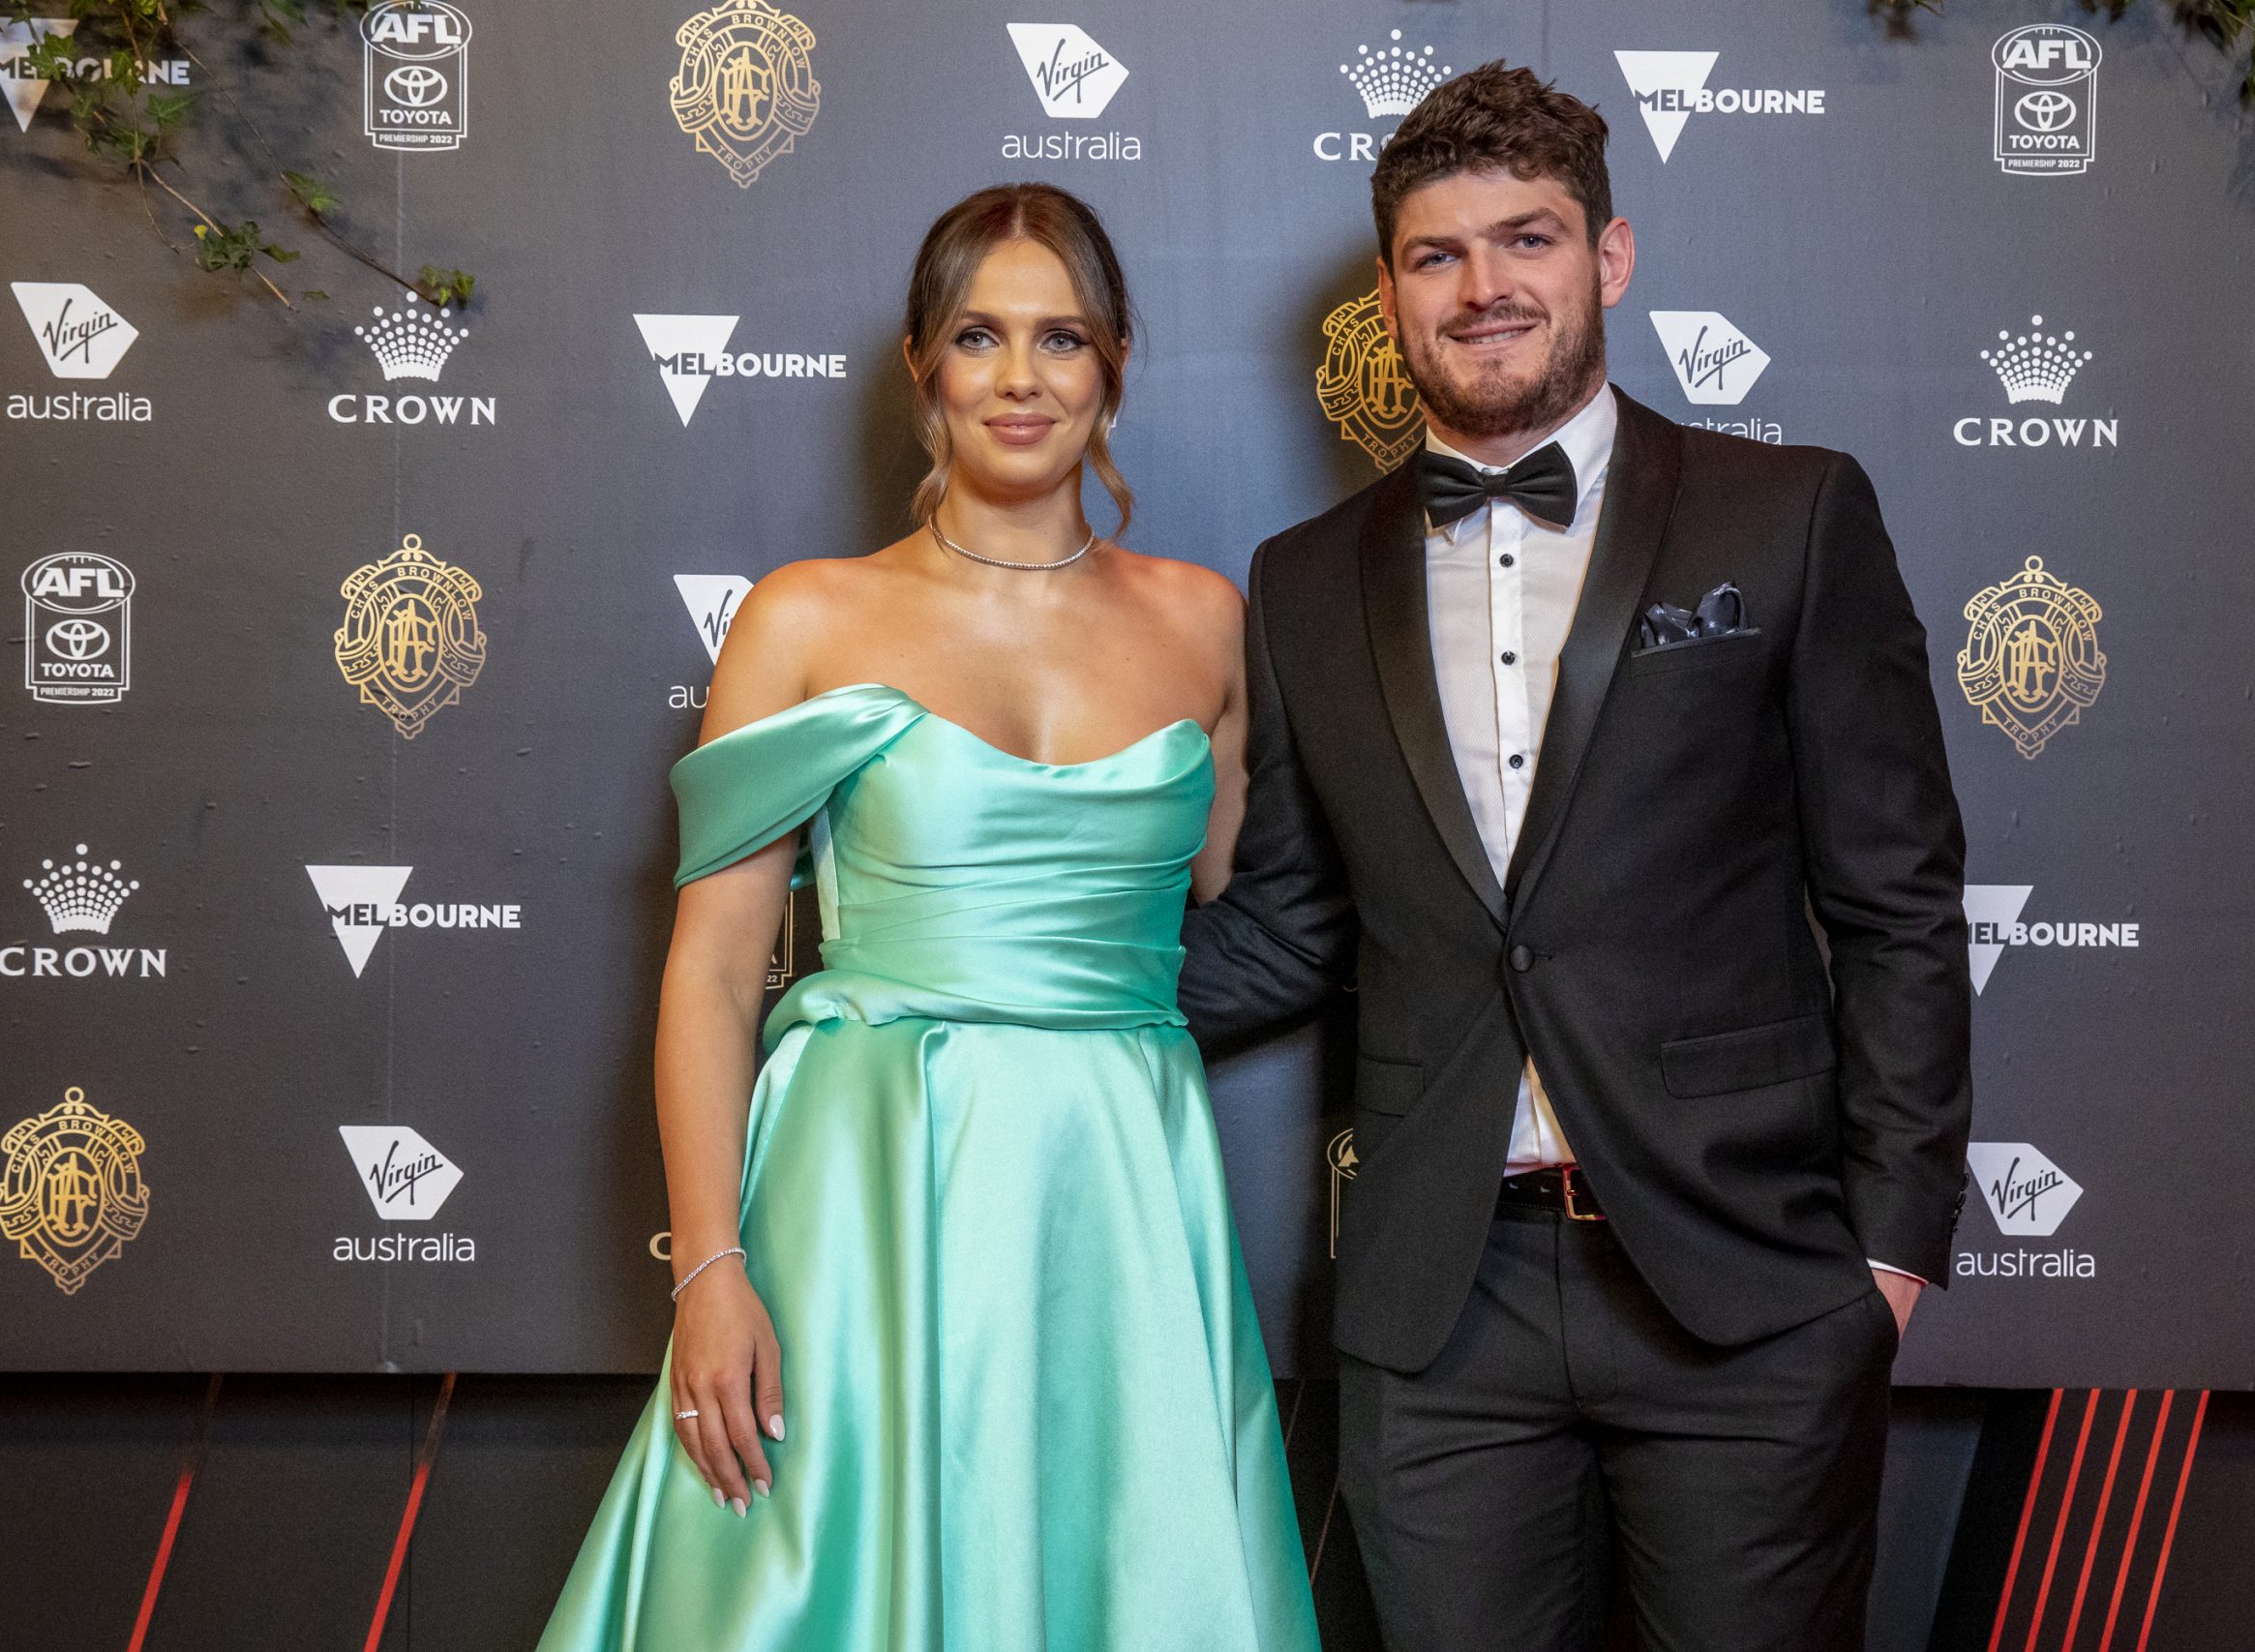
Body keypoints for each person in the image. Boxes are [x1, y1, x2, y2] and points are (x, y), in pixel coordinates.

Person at [1179, 63, 1971, 1652]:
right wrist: (979, 981)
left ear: (1609, 257)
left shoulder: (1791, 514)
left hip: (1746, 1291)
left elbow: (1898, 905)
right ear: (1391, 294)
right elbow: (1291, 926)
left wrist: (1885, 1256)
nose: (1485, 289)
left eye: (1525, 240)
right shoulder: (1302, 579)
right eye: (1437, 255)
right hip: (1436, 1305)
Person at [538, 183, 1320, 1652]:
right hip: (864, 1189)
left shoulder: (1209, 622)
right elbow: (710, 975)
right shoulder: (805, 619)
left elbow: (1237, 911)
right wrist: (710, 1270)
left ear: (1117, 364)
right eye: (980, 336)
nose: (1021, 380)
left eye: (1061, 339)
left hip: (1118, 1192)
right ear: (923, 366)